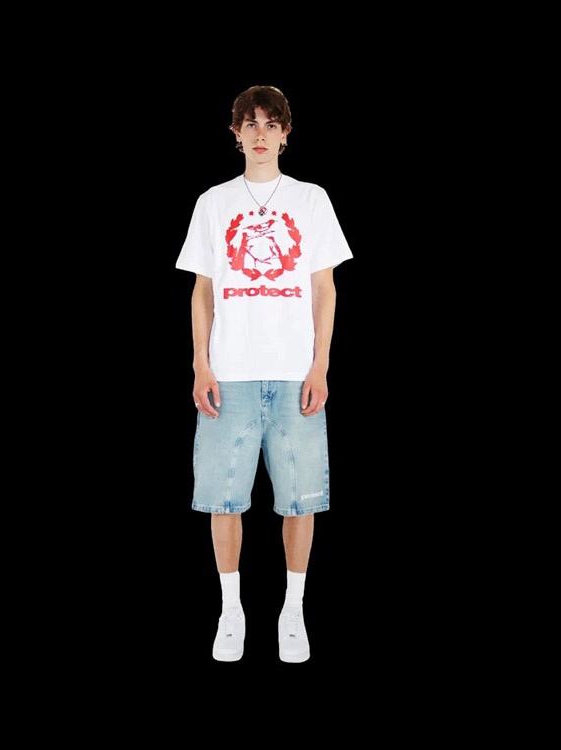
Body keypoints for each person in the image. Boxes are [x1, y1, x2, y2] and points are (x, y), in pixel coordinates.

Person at [175, 84, 353, 663]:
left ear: (285, 134)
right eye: (249, 123)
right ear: (235, 134)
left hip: (295, 371)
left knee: (300, 500)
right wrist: (201, 362)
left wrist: (320, 363)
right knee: (223, 498)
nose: (259, 133)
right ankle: (231, 611)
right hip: (230, 373)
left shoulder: (311, 200)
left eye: (270, 124)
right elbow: (202, 291)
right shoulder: (213, 202)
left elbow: (324, 289)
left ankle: (293, 610)